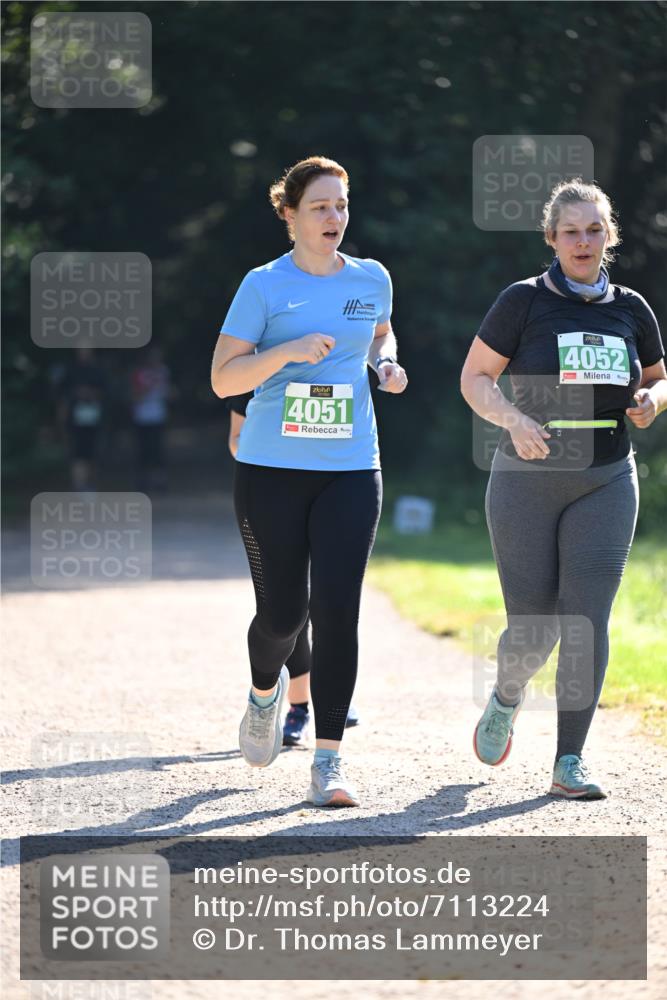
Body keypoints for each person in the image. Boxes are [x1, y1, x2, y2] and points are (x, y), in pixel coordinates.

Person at [211, 155, 408, 806]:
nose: (334, 217)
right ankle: (263, 693)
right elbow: (223, 378)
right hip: (270, 468)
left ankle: (329, 761)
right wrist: (286, 352)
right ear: (290, 215)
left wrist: (385, 364)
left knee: (337, 611)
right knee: (283, 615)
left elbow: (380, 334)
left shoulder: (371, 277)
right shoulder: (264, 286)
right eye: (320, 206)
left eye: (342, 205)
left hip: (350, 466)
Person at [460, 178, 666, 800]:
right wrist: (513, 420)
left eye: (594, 229)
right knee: (533, 630)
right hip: (528, 478)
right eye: (571, 231)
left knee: (585, 619)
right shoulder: (522, 301)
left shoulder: (631, 308)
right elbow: (475, 378)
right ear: (551, 238)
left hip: (607, 478)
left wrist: (653, 400)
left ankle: (569, 760)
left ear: (609, 236)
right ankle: (507, 694)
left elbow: (659, 376)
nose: (583, 241)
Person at [225, 390, 361, 746]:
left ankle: (328, 694)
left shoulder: (340, 368)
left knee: (331, 601)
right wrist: (273, 450)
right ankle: (298, 705)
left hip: (335, 487)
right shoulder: (258, 371)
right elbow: (236, 439)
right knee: (290, 610)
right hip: (275, 489)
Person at [55, 346, 108, 493]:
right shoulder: (70, 371)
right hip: (75, 419)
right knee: (77, 452)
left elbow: (106, 392)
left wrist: (92, 394)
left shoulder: (98, 371)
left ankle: (91, 484)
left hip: (94, 418)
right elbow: (62, 394)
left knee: (93, 452)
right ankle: (78, 485)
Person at [130, 346, 172, 492]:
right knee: (143, 450)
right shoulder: (140, 373)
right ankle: (143, 481)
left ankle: (159, 481)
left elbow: (167, 392)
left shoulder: (164, 371)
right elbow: (134, 396)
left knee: (158, 450)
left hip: (158, 416)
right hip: (142, 417)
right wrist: (147, 389)